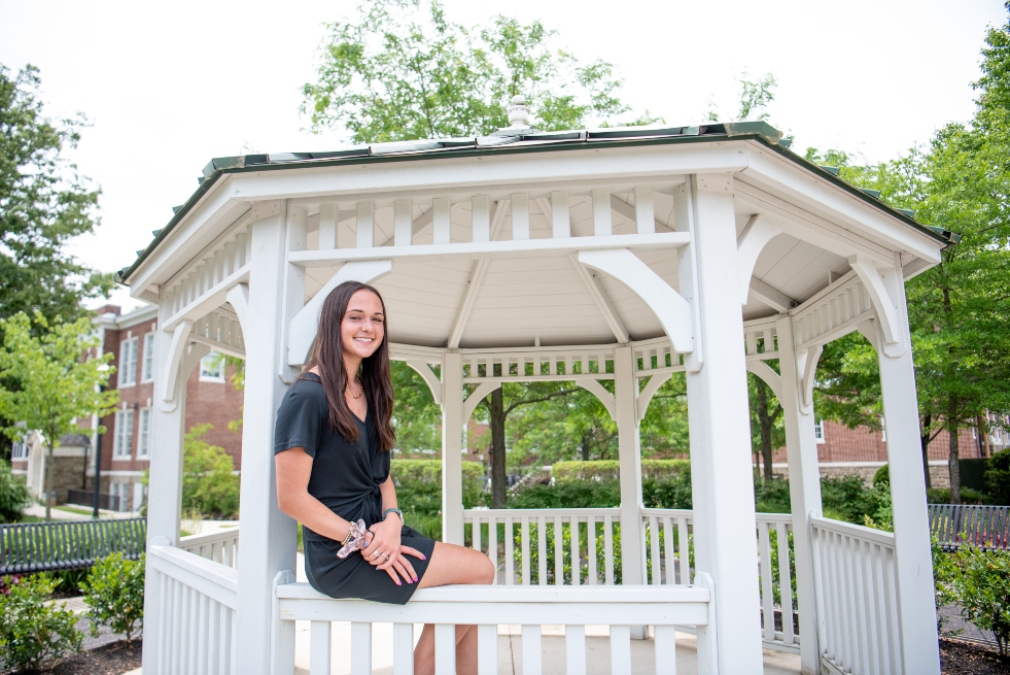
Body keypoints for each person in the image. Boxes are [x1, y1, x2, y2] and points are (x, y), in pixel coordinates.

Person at [274, 280, 495, 675]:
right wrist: (363, 540)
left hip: (381, 537)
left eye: (377, 319)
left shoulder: (368, 392)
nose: (368, 327)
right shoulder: (307, 396)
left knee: (470, 591)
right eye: (355, 317)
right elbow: (291, 498)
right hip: (340, 553)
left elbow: (383, 478)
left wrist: (392, 523)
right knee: (480, 570)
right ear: (332, 323)